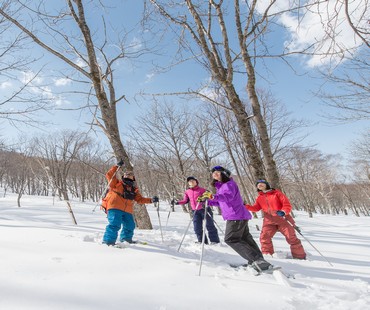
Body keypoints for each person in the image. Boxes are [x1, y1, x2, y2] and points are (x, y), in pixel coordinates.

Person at [197, 166, 272, 272]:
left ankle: (257, 260)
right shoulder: (221, 186)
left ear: (224, 174)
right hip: (237, 215)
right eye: (213, 173)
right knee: (245, 238)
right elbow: (220, 201)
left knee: (231, 239)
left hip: (236, 215)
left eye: (217, 172)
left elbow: (228, 197)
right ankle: (257, 261)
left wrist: (212, 196)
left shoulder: (229, 184)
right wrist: (206, 201)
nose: (214, 174)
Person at [102, 160, 159, 246]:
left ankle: (126, 239)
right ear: (123, 176)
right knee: (115, 224)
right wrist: (117, 166)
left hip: (127, 210)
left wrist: (151, 200)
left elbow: (140, 199)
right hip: (115, 207)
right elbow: (109, 175)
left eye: (130, 175)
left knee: (130, 225)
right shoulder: (116, 183)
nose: (128, 176)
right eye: (126, 174)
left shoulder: (134, 189)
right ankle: (108, 241)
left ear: (133, 178)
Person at [245, 180, 306, 259]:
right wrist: (245, 206)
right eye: (258, 185)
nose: (260, 185)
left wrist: (283, 211)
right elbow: (256, 208)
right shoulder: (260, 197)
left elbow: (287, 205)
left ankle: (299, 256)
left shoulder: (277, 193)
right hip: (269, 221)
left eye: (261, 184)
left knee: (291, 238)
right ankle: (267, 255)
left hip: (283, 219)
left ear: (266, 185)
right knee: (264, 237)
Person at [173, 176, 220, 244]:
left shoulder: (202, 190)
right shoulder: (187, 192)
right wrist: (177, 202)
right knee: (197, 228)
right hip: (195, 211)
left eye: (193, 181)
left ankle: (214, 241)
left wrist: (205, 199)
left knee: (209, 225)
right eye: (190, 181)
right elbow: (185, 201)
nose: (191, 182)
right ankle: (202, 241)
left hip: (205, 209)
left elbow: (208, 197)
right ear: (188, 183)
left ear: (196, 182)